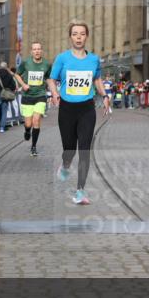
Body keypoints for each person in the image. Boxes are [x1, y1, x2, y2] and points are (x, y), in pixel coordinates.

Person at [47, 19, 111, 206]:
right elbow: (51, 79)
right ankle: (66, 164)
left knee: (84, 150)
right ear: (70, 37)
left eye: (82, 34)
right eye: (75, 34)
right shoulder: (62, 58)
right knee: (69, 149)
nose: (78, 37)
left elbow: (97, 79)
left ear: (86, 36)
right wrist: (55, 93)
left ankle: (80, 191)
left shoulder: (94, 59)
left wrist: (104, 95)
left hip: (86, 109)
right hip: (67, 109)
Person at [15, 41, 52, 156]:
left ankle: (33, 147)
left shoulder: (47, 64)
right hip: (27, 96)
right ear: (31, 51)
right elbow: (16, 74)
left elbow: (48, 78)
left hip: (40, 95)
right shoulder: (26, 63)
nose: (37, 51)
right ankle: (27, 130)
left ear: (41, 51)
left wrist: (54, 92)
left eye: (38, 49)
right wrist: (23, 85)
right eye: (34, 49)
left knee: (36, 120)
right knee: (28, 124)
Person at [0, 61, 20, 134]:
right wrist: (8, 89)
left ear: (0, 67)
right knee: (4, 112)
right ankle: (2, 128)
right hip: (6, 95)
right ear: (6, 67)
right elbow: (13, 86)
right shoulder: (9, 75)